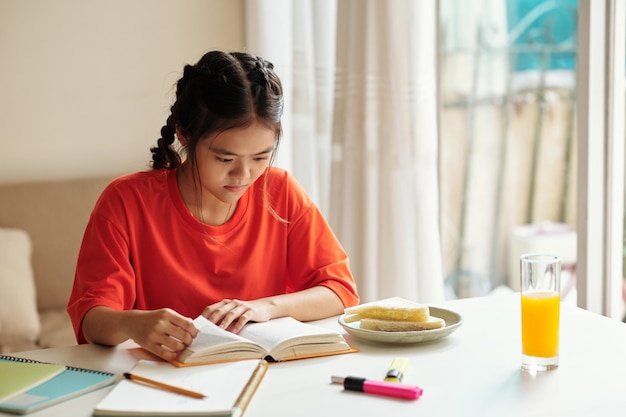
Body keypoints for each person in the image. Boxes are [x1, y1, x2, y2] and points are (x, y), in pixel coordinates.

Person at [66, 50, 359, 362]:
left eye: (260, 157)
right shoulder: (127, 201)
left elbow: (340, 291)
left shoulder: (280, 190)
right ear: (185, 133)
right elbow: (92, 318)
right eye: (225, 158)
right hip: (167, 380)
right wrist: (133, 324)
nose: (244, 175)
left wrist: (264, 306)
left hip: (262, 373)